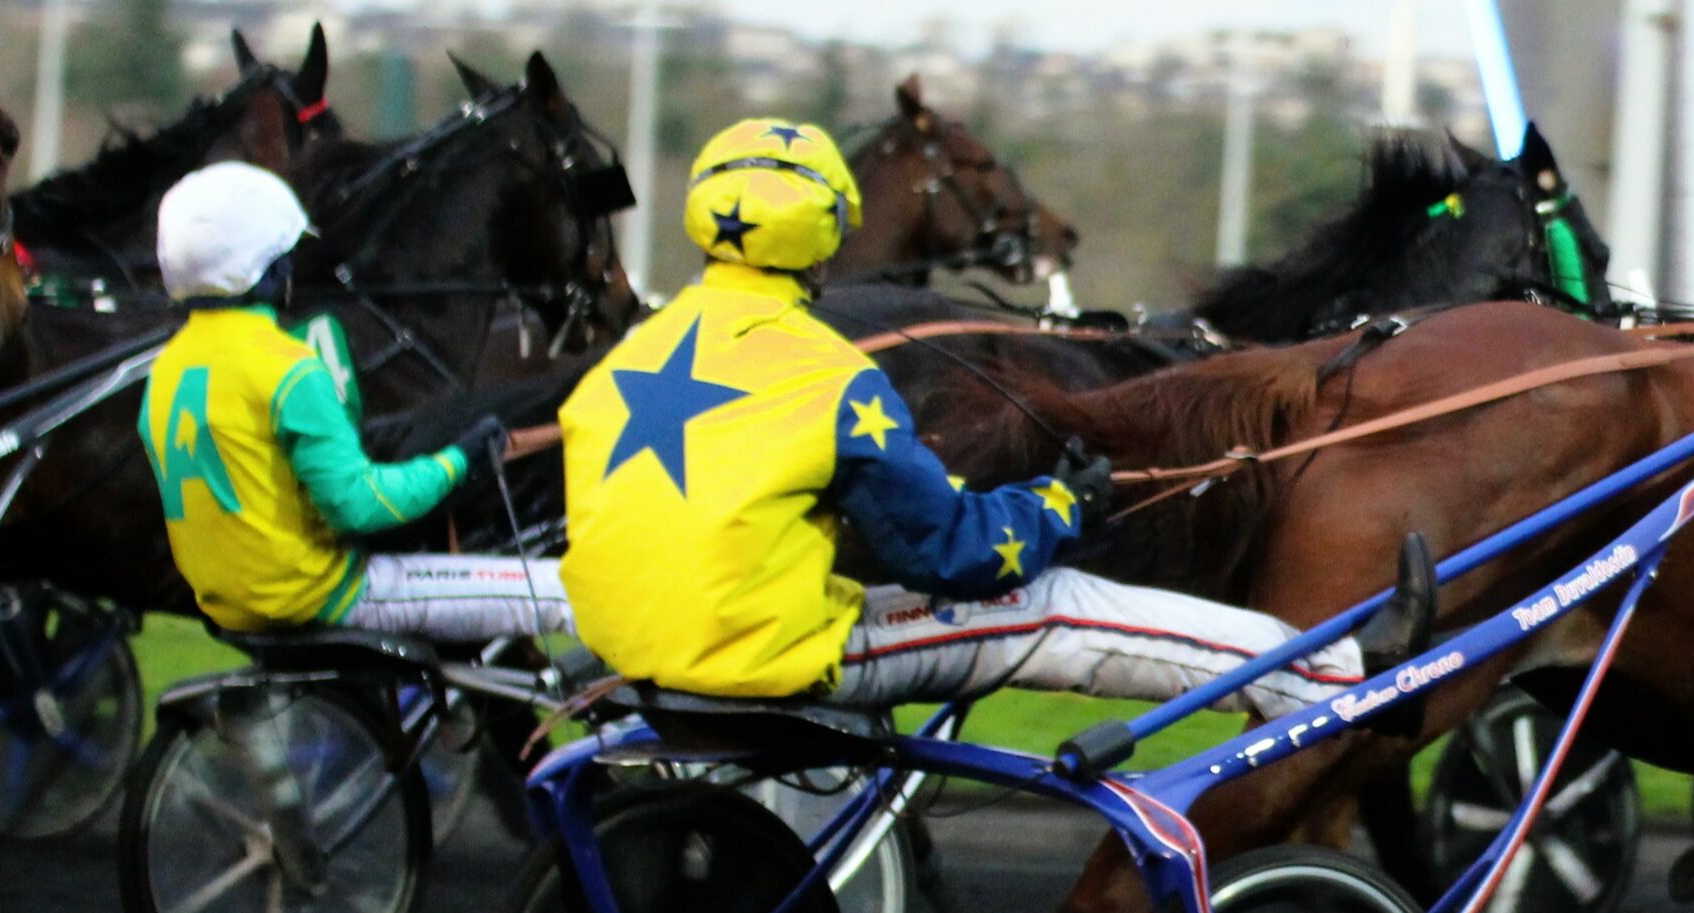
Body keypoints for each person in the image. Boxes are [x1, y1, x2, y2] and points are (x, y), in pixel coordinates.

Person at [557, 117, 1409, 720]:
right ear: (824, 241)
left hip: (627, 650)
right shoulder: (832, 379)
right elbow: (959, 555)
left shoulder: (621, 363)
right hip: (760, 665)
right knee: (1054, 602)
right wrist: (1060, 504)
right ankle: (1339, 671)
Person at [141, 161, 567, 641]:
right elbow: (360, 505)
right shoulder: (286, 366)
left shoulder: (166, 371)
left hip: (233, 610)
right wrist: (459, 461)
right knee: (566, 589)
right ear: (270, 268)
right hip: (327, 595)